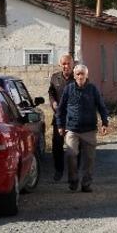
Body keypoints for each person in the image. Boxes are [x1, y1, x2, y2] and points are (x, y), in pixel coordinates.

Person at [56, 64, 110, 192]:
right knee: (71, 154)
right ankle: (73, 180)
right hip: (72, 129)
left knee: (89, 158)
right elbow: (60, 109)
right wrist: (60, 125)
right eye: (78, 74)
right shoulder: (68, 89)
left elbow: (102, 107)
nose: (80, 76)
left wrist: (105, 123)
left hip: (89, 129)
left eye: (82, 74)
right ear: (74, 76)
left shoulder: (93, 89)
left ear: (87, 75)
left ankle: (86, 183)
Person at [47, 53, 74, 182]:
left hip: (74, 119)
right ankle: (58, 170)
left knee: (74, 147)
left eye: (68, 63)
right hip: (59, 118)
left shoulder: (79, 77)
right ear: (60, 65)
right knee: (57, 146)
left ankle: (74, 173)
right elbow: (51, 92)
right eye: (64, 63)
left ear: (73, 64)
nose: (66, 66)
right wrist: (53, 102)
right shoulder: (55, 78)